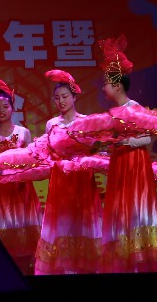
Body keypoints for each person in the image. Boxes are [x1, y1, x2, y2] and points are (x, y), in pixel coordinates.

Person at [97, 38, 157, 273]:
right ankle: (125, 260)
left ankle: (141, 260)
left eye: (106, 83)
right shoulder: (113, 112)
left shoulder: (134, 108)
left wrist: (124, 142)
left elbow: (146, 139)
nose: (103, 88)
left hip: (135, 164)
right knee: (120, 209)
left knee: (135, 207)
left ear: (117, 85)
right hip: (120, 163)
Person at [32, 68, 103, 275]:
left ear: (74, 97)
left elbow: (95, 149)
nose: (61, 101)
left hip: (82, 178)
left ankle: (85, 268)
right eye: (57, 98)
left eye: (64, 96)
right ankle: (65, 269)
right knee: (62, 222)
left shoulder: (86, 121)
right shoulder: (52, 124)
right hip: (61, 179)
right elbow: (48, 150)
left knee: (83, 220)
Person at [0, 78, 42, 274]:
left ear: (12, 109)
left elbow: (32, 159)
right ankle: (3, 269)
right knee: (2, 229)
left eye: (5, 107)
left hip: (20, 188)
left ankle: (25, 269)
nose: (1, 111)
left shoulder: (23, 133)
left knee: (23, 229)